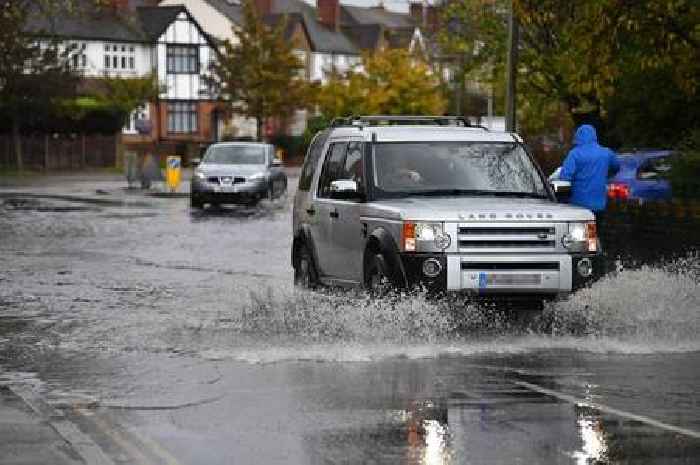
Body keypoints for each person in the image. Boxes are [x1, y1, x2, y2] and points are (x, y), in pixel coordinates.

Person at [560, 124, 620, 216]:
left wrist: (562, 200)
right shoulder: (607, 153)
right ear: (594, 136)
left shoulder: (574, 154)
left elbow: (564, 177)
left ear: (577, 136)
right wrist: (606, 176)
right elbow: (616, 167)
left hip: (578, 205)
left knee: (581, 230)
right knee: (598, 229)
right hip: (599, 205)